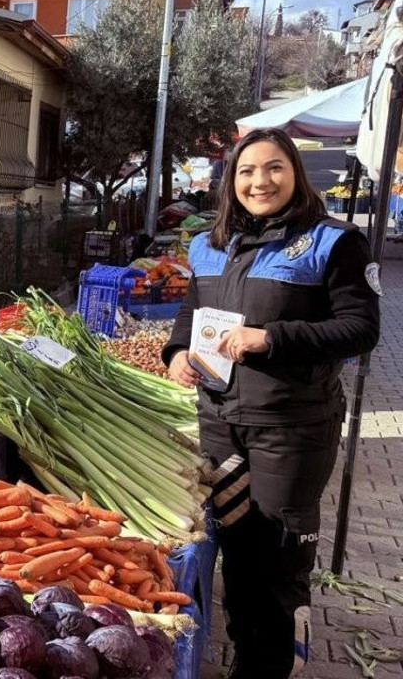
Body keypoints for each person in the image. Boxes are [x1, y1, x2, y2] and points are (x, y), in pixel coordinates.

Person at [162, 129, 380, 679]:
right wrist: (176, 351)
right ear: (230, 182)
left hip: (292, 426)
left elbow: (360, 329)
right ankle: (248, 653)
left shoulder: (333, 241)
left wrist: (272, 338)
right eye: (246, 171)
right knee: (237, 544)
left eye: (273, 168)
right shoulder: (208, 243)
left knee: (280, 553)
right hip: (220, 424)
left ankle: (275, 661)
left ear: (294, 174)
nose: (260, 181)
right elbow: (192, 311)